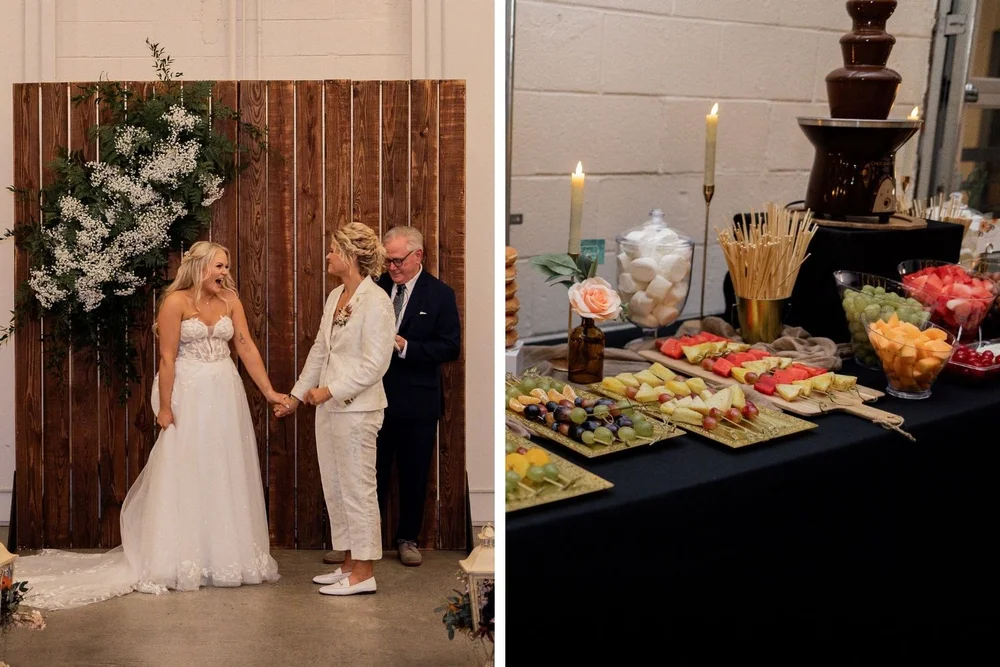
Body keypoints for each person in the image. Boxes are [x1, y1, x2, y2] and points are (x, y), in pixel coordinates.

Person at [15, 241, 283, 610]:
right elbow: (168, 358)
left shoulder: (230, 302)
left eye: (227, 266)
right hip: (189, 390)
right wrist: (166, 407)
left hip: (224, 391)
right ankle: (179, 556)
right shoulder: (175, 303)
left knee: (223, 467)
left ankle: (223, 556)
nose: (225, 272)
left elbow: (246, 346)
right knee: (185, 468)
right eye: (219, 266)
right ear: (201, 267)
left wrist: (268, 392)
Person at [273, 222, 396, 596]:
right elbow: (320, 351)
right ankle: (348, 563)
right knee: (337, 486)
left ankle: (365, 572)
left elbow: (376, 364)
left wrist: (331, 390)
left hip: (358, 410)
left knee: (359, 488)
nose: (327, 256)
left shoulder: (377, 302)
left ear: (351, 255)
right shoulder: (335, 296)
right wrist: (296, 396)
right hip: (329, 410)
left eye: (332, 250)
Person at [373, 225, 460, 566]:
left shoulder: (440, 294)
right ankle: (364, 544)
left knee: (413, 475)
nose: (392, 267)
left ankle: (408, 539)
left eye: (397, 261)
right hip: (375, 400)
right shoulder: (375, 288)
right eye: (388, 261)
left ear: (418, 255)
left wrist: (406, 347)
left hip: (418, 402)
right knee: (372, 474)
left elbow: (451, 347)